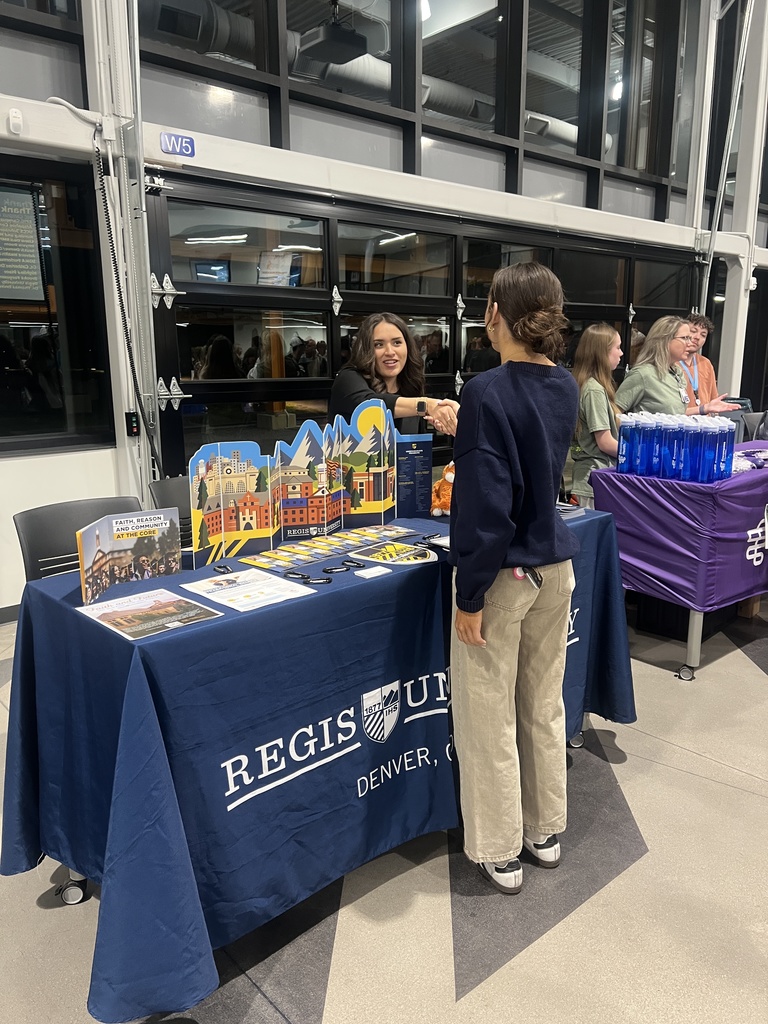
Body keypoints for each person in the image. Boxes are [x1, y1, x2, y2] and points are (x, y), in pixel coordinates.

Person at [449, 262, 579, 895]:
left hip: (504, 576)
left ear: (498, 313)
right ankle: (544, 828)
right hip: (555, 566)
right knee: (542, 701)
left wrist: (468, 592)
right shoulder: (566, 387)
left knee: (488, 710)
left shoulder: (486, 391)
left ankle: (499, 846)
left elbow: (484, 502)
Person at [328, 312, 459, 434]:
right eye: (378, 344)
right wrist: (426, 405)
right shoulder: (348, 378)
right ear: (366, 349)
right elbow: (369, 406)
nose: (390, 352)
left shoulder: (410, 386)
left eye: (397, 342)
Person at [615, 316, 738, 416]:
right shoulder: (643, 374)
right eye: (685, 338)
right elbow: (613, 413)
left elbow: (675, 414)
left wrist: (704, 408)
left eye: (702, 335)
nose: (690, 343)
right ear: (665, 340)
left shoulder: (676, 373)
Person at [570, 324, 623, 507]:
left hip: (595, 479)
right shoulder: (594, 390)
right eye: (617, 347)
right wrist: (638, 454)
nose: (621, 353)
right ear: (602, 352)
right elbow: (605, 442)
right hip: (592, 480)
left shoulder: (592, 386)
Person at [680, 313, 739, 415]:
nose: (697, 337)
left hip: (705, 425)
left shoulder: (706, 363)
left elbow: (714, 399)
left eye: (703, 335)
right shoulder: (671, 362)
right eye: (693, 331)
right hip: (679, 423)